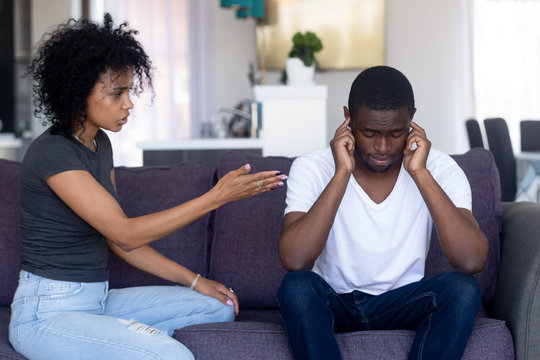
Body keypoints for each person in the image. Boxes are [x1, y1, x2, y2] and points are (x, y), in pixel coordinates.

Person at [8, 14, 287, 360]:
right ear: (79, 93)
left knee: (220, 306)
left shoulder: (99, 145)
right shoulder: (53, 153)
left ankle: (119, 342)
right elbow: (125, 233)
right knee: (172, 355)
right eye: (116, 93)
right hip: (47, 313)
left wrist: (197, 282)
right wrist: (217, 197)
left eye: (129, 90)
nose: (129, 103)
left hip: (98, 301)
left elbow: (119, 244)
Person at [277, 66, 488, 360]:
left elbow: (471, 260)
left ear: (412, 119)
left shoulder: (439, 169)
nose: (382, 147)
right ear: (347, 118)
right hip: (334, 301)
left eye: (396, 133)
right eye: (370, 133)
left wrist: (420, 173)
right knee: (297, 287)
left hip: (404, 302)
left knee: (462, 290)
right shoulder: (312, 167)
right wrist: (342, 173)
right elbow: (295, 259)